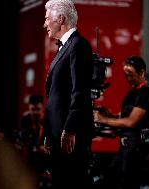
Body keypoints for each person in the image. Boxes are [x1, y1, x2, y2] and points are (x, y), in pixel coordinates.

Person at [43, 0, 94, 188]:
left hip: (70, 136)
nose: (45, 24)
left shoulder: (78, 46)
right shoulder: (64, 47)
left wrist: (70, 128)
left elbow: (80, 90)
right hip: (58, 135)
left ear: (61, 18)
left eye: (47, 19)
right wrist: (48, 133)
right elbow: (55, 96)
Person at [93, 55, 149, 189]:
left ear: (142, 72)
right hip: (125, 146)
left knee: (127, 183)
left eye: (130, 74)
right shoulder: (131, 94)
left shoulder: (147, 93)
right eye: (125, 75)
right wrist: (109, 115)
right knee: (110, 179)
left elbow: (131, 122)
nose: (128, 78)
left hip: (136, 149)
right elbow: (123, 117)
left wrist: (104, 119)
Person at [17, 95, 49, 175]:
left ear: (43, 108)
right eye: (32, 109)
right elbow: (23, 138)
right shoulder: (25, 120)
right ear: (29, 108)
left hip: (47, 160)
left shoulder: (49, 120)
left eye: (38, 109)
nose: (35, 112)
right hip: (31, 160)